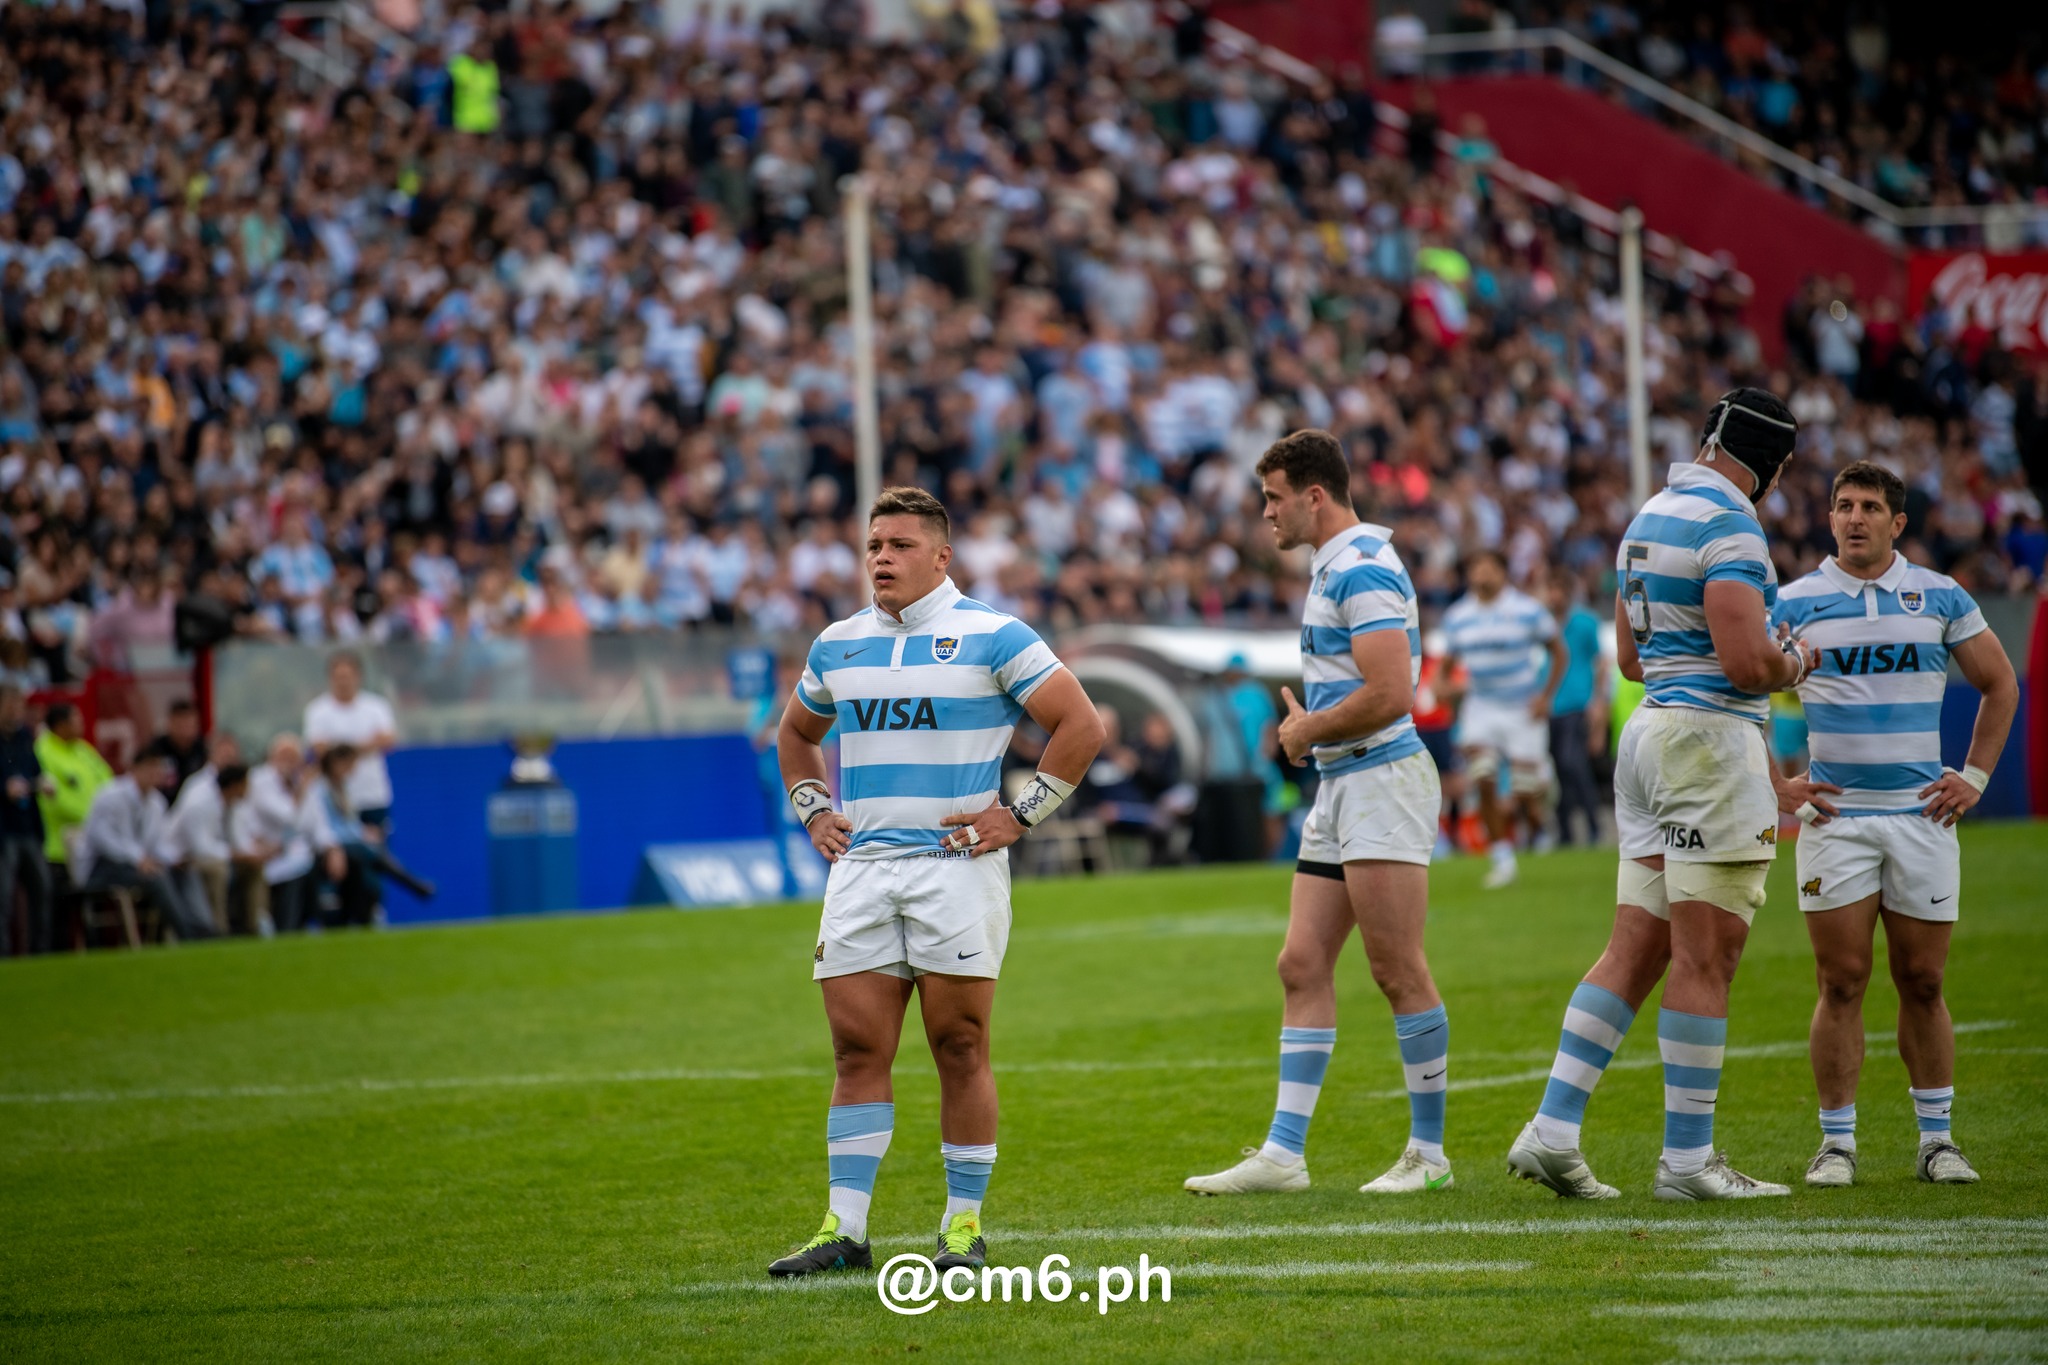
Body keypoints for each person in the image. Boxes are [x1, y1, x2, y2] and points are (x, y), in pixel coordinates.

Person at [766, 486, 1104, 1279]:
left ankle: (962, 1226)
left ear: (942, 555)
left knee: (960, 1044)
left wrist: (1020, 814)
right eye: (874, 545)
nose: (882, 558)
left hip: (956, 868)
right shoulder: (838, 644)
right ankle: (846, 1230)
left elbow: (1081, 724)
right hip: (862, 872)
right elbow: (796, 733)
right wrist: (814, 811)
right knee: (856, 1049)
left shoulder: (994, 634)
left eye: (900, 545)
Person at [1507, 388, 1815, 1202]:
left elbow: (1631, 659)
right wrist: (1793, 661)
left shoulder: (1647, 516)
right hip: (1707, 746)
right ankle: (1687, 1160)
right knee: (1706, 955)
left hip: (1649, 737)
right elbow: (1746, 665)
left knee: (1635, 947)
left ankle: (1552, 1129)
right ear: (1770, 462)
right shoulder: (1731, 525)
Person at [1186, 430, 1452, 1197]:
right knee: (1300, 963)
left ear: (1314, 495)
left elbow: (1392, 692)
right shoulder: (1335, 564)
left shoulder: (1361, 566)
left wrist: (1307, 729)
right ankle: (1283, 1154)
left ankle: (1429, 1155)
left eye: (1273, 497)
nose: (1266, 512)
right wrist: (1314, 733)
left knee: (1397, 969)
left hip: (1381, 779)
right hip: (1344, 783)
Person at [1772, 461, 2020, 1188]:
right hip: (1836, 820)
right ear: (1830, 518)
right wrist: (1776, 784)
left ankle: (1938, 1141)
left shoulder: (1939, 595)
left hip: (1921, 817)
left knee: (1923, 979)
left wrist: (1974, 777)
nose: (1855, 518)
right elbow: (1742, 689)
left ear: (1897, 522)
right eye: (1844, 505)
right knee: (1841, 981)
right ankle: (1837, 1145)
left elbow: (2000, 683)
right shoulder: (1793, 602)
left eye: (1870, 507)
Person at [1441, 548, 1567, 888]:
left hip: (1521, 707)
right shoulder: (1457, 616)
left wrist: (1545, 696)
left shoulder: (1527, 610)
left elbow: (1559, 652)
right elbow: (1447, 665)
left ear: (1503, 573)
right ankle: (1501, 856)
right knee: (1483, 778)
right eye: (1476, 567)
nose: (1481, 573)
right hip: (1480, 707)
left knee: (1524, 792)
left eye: (1488, 567)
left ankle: (1539, 825)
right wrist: (1442, 687)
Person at [75, 741, 218, 941]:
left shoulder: (156, 802)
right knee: (156, 877)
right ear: (135, 768)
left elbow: (157, 845)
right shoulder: (110, 795)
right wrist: (138, 859)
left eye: (159, 767)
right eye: (151, 766)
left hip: (136, 865)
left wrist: (174, 859)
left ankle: (204, 928)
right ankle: (186, 934)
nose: (156, 772)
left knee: (184, 872)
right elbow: (104, 840)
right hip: (102, 867)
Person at [303, 652, 400, 832]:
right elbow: (319, 749)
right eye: (338, 677)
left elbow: (388, 741)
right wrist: (366, 745)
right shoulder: (318, 710)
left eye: (347, 676)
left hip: (372, 793)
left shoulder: (376, 706)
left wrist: (342, 750)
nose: (343, 682)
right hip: (335, 797)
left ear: (358, 677)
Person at [1545, 574, 1608, 847]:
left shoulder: (1585, 622)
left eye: (1557, 590)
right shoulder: (1544, 623)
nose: (1553, 596)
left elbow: (1600, 663)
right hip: (1552, 705)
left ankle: (1593, 826)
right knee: (1559, 768)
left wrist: (1598, 701)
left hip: (1577, 703)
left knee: (1572, 763)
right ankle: (1566, 833)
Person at [161, 733, 246, 933]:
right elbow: (200, 846)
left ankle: (253, 925)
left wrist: (247, 852)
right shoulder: (199, 793)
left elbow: (236, 834)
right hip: (182, 858)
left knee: (252, 868)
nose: (229, 762)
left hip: (207, 854)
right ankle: (218, 928)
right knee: (219, 869)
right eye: (225, 756)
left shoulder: (232, 793)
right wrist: (233, 854)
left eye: (232, 757)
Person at [236, 734, 315, 933]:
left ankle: (298, 925)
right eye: (284, 757)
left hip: (281, 849)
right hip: (256, 846)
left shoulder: (294, 782)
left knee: (304, 864)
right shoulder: (261, 779)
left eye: (293, 758)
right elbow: (288, 816)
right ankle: (286, 926)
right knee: (295, 869)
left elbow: (308, 823)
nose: (289, 763)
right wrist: (302, 790)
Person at [35, 701, 111, 904]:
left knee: (93, 905)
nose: (82, 724)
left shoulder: (83, 750)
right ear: (60, 725)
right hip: (58, 849)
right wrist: (95, 817)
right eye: (76, 720)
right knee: (61, 908)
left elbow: (108, 782)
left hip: (92, 845)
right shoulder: (42, 752)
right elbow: (52, 799)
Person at [0, 684, 52, 954]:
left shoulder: (24, 737)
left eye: (18, 705)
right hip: (4, 831)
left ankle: (39, 953)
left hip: (27, 827)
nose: (15, 711)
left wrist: (42, 783)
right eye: (9, 705)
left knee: (42, 890)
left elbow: (34, 771)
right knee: (4, 897)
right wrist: (4, 788)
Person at [1412, 630, 1467, 856]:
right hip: (1417, 731)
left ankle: (1453, 833)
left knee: (1454, 785)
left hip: (1442, 729)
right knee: (1420, 785)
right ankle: (1426, 836)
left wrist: (1446, 691)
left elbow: (1461, 683)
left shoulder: (1439, 664)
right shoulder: (1407, 667)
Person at [160, 700, 208, 798]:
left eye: (188, 725)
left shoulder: (204, 749)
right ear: (170, 723)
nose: (184, 730)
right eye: (180, 725)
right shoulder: (157, 751)